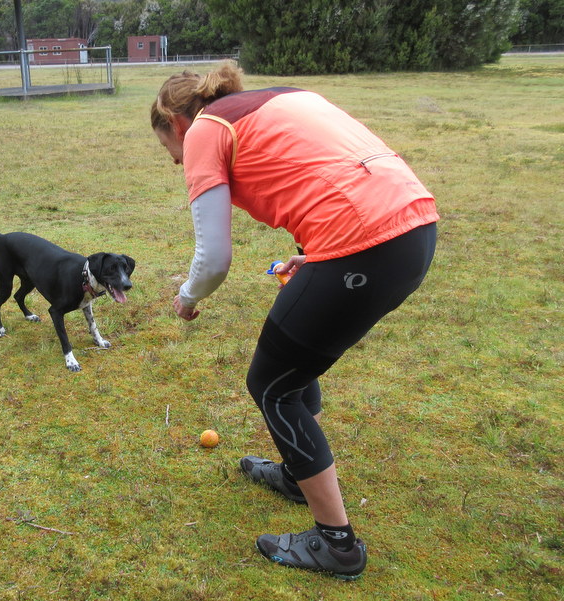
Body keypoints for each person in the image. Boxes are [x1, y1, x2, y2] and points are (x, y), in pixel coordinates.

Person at [151, 62, 438, 580]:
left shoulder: (205, 130)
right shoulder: (283, 96)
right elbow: (338, 173)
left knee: (272, 385)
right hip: (413, 229)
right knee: (293, 362)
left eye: (168, 149)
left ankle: (337, 545)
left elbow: (213, 259)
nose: (175, 161)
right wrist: (319, 254)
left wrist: (187, 297)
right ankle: (295, 475)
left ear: (176, 124)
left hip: (366, 246)